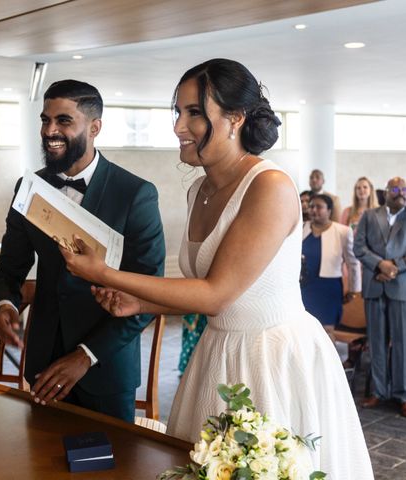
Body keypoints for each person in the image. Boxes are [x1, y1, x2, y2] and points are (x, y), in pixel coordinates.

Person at [62, 59, 372, 478]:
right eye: (178, 112)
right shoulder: (199, 190)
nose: (178, 127)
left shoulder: (270, 187)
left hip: (271, 359)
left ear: (234, 119)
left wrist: (102, 273)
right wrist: (141, 304)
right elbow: (204, 296)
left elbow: (215, 293)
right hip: (216, 353)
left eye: (193, 113)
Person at [0, 80, 165, 422]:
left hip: (107, 368)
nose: (50, 130)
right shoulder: (29, 187)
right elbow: (10, 267)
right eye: (45, 120)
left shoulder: (136, 194)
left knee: (110, 471)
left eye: (63, 121)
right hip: (43, 362)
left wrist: (85, 356)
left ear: (95, 127)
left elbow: (148, 293)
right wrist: (4, 304)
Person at [354, 177, 406, 417]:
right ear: (385, 192)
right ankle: (378, 391)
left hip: (405, 288)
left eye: (404, 189)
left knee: (404, 344)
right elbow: (359, 247)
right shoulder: (370, 216)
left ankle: (404, 395)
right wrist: (380, 265)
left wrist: (394, 267)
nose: (400, 193)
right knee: (376, 342)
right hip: (375, 287)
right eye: (395, 189)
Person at [301, 194, 361, 328]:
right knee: (304, 329)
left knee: (326, 331)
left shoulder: (343, 232)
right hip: (304, 287)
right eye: (311, 206)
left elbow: (353, 263)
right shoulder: (302, 228)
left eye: (319, 207)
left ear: (329, 210)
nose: (313, 210)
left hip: (328, 287)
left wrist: (353, 290)